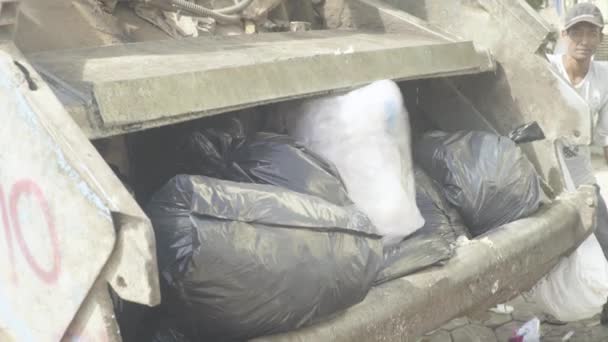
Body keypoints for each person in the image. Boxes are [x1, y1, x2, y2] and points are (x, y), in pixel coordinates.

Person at [547, 2, 608, 258]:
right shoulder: (546, 68)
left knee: (603, 232)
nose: (584, 40)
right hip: (544, 167)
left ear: (601, 37)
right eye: (577, 32)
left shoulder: (604, 77)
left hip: (579, 167)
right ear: (564, 35)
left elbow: (606, 136)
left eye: (591, 32)